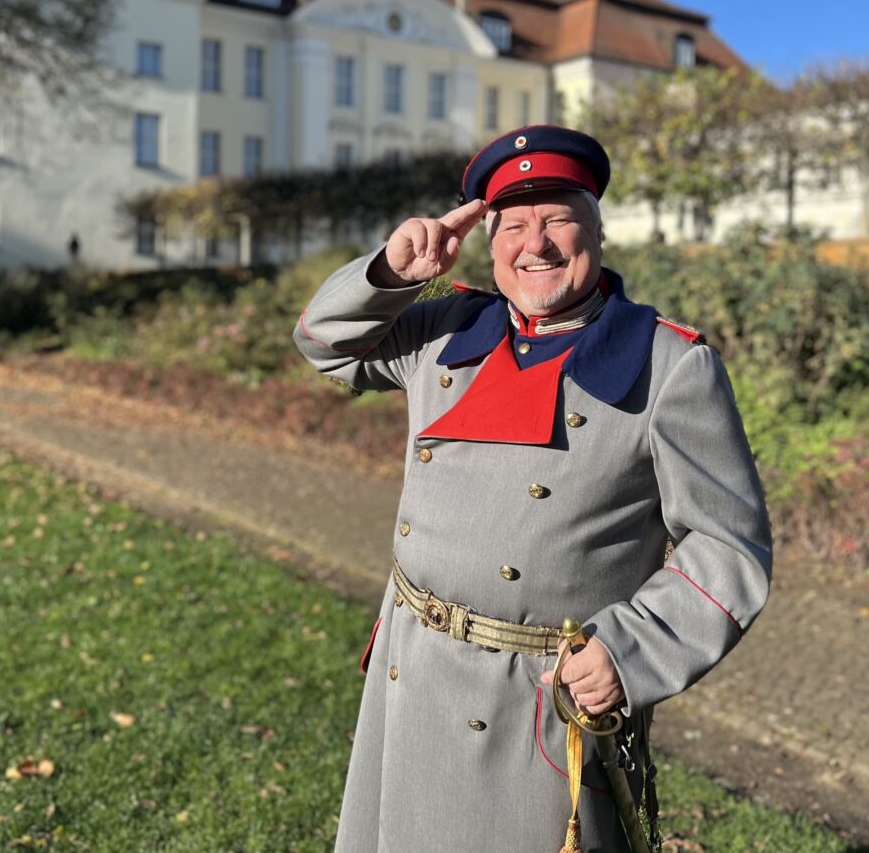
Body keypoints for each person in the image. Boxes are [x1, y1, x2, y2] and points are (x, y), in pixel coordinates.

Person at [293, 125, 773, 853]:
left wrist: (632, 650)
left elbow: (726, 543)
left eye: (556, 220)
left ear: (596, 232)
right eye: (512, 225)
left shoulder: (669, 364)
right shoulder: (444, 328)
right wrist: (393, 271)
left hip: (537, 700)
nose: (535, 245)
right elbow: (324, 346)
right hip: (412, 663)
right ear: (489, 243)